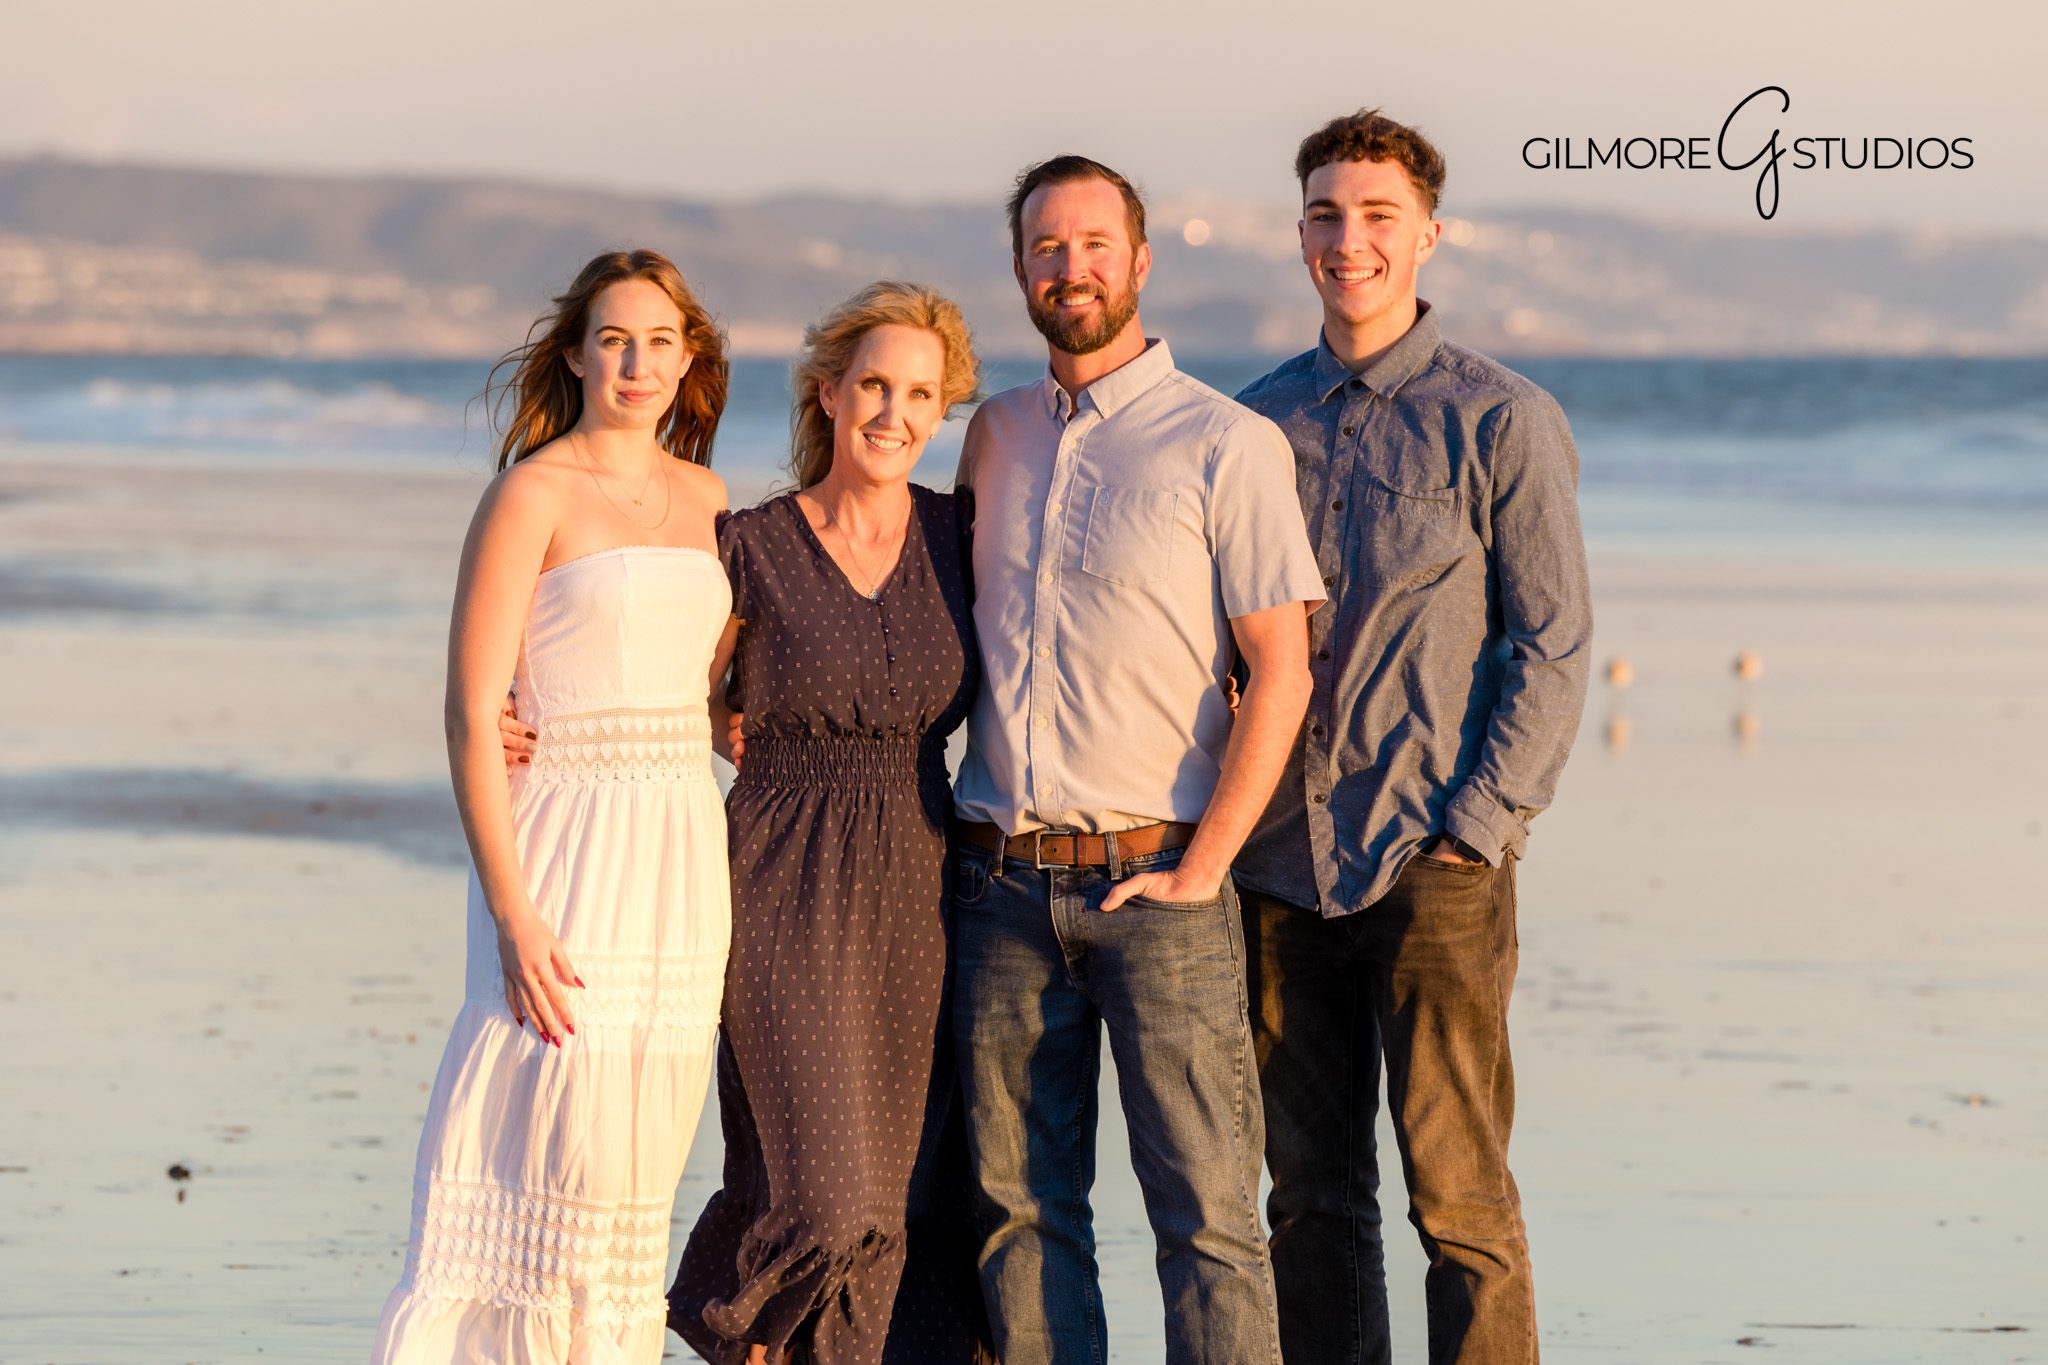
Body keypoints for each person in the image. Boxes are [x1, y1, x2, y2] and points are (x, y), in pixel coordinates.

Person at [948, 156, 1325, 1365]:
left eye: (1094, 245)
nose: (1071, 269)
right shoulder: (991, 435)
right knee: (1019, 1217)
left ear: (1139, 261)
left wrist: (1204, 866)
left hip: (1159, 884)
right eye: (1047, 249)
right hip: (998, 887)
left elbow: (1282, 670)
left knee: (1208, 1224)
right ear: (1019, 272)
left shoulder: (1227, 443)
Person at [1232, 110, 1593, 1364]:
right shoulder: (1251, 425)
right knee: (1309, 1204)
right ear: (1299, 237)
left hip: (1432, 864)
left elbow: (1550, 645)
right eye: (1327, 215)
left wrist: (1477, 832)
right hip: (1276, 868)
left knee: (1459, 1203)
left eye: (1377, 215)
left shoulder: (1502, 420)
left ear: (1427, 235)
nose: (1350, 240)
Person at [374, 249, 737, 1364]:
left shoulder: (712, 497)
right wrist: (512, 913)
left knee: (639, 1155)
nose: (636, 362)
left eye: (659, 341)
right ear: (576, 353)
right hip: (564, 851)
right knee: (550, 1136)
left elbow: (709, 688)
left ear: (688, 360)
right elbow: (467, 712)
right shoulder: (530, 491)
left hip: (681, 849)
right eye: (614, 339)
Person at [665, 282, 994, 1365]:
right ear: (826, 391)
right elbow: (655, 678)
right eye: (872, 387)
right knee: (817, 1195)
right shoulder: (746, 548)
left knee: (894, 1208)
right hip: (775, 875)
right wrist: (529, 722)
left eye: (918, 393)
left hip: (919, 879)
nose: (892, 413)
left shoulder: (961, 536)